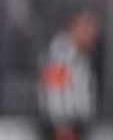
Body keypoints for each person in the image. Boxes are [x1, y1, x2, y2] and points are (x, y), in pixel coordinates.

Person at [38, 10, 98, 140]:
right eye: (86, 27)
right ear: (73, 27)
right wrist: (62, 127)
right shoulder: (59, 55)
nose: (91, 33)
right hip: (64, 129)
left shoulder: (83, 56)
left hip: (78, 126)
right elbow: (53, 93)